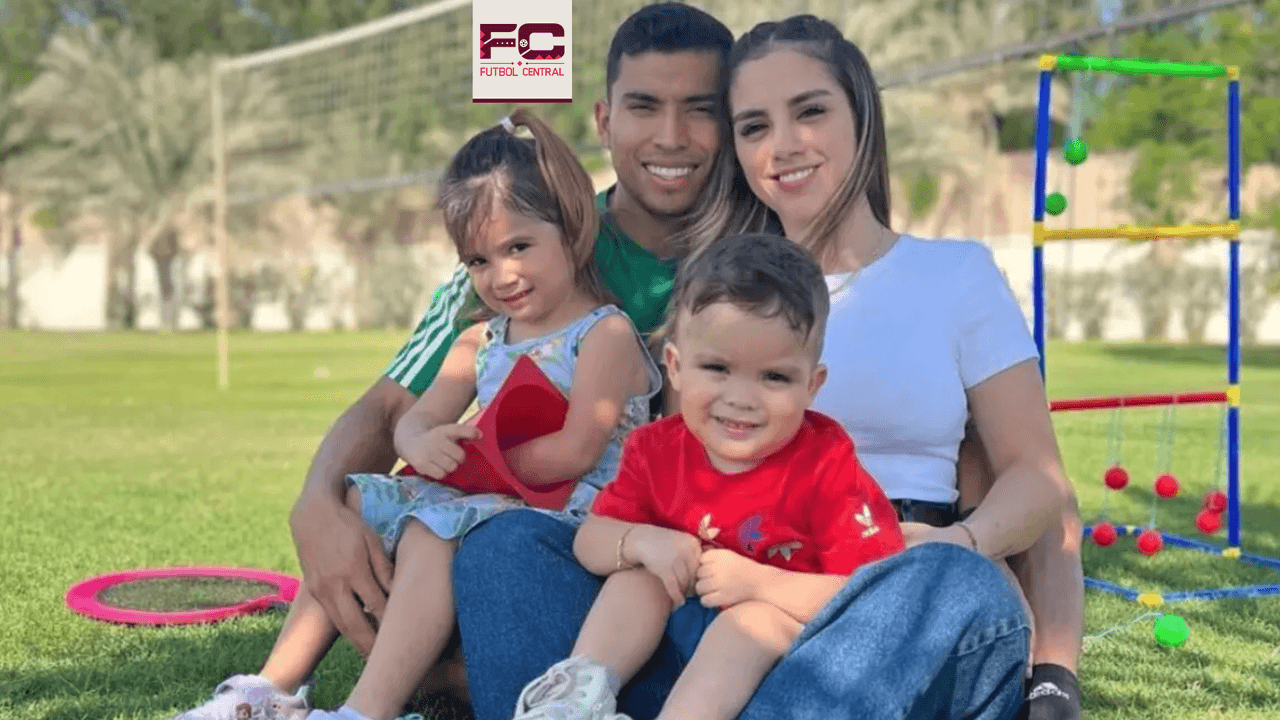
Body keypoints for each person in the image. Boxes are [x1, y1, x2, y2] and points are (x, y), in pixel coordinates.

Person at [277, 4, 744, 718]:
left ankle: (456, 674)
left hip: (627, 549)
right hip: (515, 530)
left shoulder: (756, 262)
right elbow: (397, 403)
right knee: (454, 536)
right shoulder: (519, 242)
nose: (671, 135)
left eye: (700, 109)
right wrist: (317, 502)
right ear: (603, 120)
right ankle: (283, 689)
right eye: (644, 106)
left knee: (505, 555)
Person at [166, 108, 661, 720]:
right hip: (494, 493)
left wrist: (476, 462)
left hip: (571, 510)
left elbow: (578, 449)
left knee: (432, 527)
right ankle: (267, 687)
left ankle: (366, 709)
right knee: (355, 504)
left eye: (518, 247)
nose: (502, 275)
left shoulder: (604, 334)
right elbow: (414, 420)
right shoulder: (481, 339)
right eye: (478, 261)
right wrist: (422, 443)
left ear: (572, 228)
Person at [722, 14, 1085, 719]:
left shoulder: (955, 276)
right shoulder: (723, 297)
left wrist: (956, 546)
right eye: (754, 126)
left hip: (925, 576)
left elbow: (1038, 479)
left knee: (949, 587)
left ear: (862, 115)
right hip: (771, 583)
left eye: (810, 111)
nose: (783, 144)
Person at [510, 234, 904, 720]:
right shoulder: (656, 449)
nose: (740, 398)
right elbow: (590, 540)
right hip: (666, 640)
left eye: (774, 377)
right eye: (717, 368)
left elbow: (876, 595)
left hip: (783, 660)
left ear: (812, 385)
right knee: (640, 575)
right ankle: (577, 697)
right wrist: (641, 541)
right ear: (676, 367)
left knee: (751, 622)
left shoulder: (826, 464)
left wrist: (761, 585)